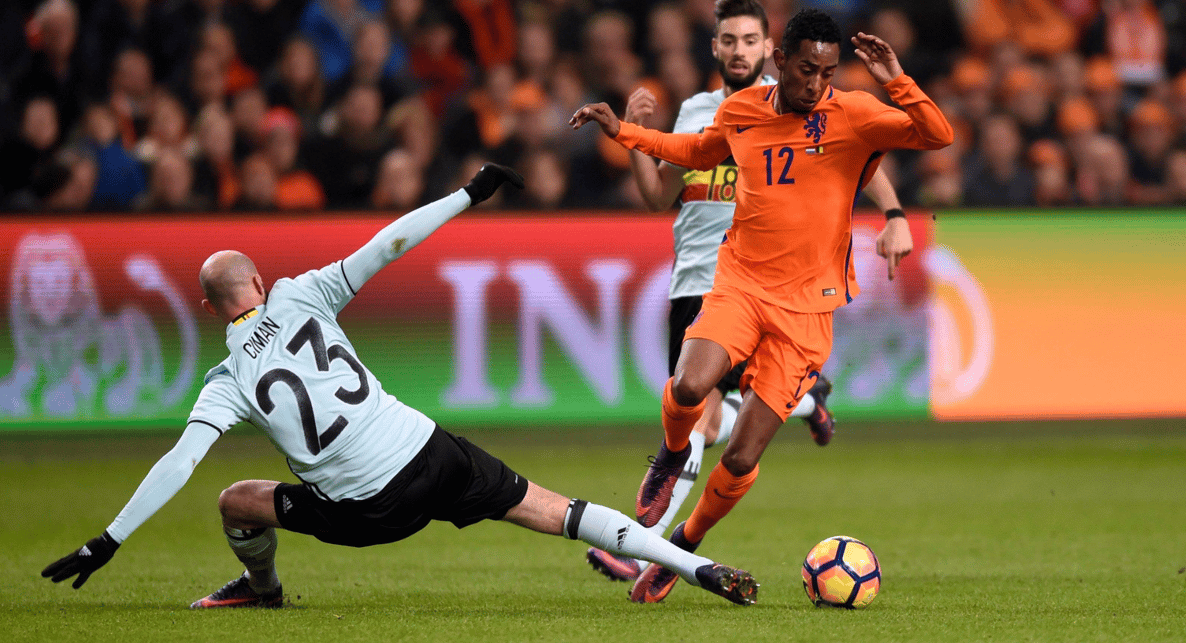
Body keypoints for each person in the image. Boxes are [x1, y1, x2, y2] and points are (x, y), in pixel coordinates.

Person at [40, 164, 759, 608]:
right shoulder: (301, 294)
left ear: (208, 308)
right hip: (429, 448)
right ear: (257, 282)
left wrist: (110, 538)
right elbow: (388, 243)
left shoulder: (225, 381)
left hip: (369, 508)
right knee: (555, 508)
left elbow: (178, 462)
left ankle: (262, 593)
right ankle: (692, 566)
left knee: (237, 501)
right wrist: (467, 194)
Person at [569, 9, 953, 603]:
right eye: (805, 70)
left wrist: (895, 77)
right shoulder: (743, 111)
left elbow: (937, 134)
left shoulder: (852, 112)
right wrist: (624, 132)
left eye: (826, 71)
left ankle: (683, 547)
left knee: (743, 451)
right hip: (742, 286)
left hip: (807, 313)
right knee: (691, 386)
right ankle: (671, 457)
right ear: (781, 62)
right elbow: (696, 151)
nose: (815, 83)